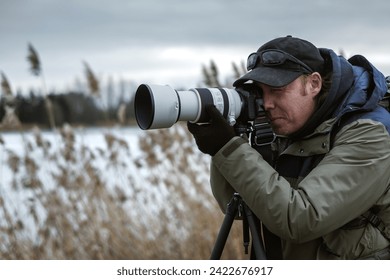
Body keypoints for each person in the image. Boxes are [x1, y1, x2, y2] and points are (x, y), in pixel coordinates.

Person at [187, 35, 390, 259]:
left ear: (313, 84)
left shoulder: (369, 135)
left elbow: (301, 219)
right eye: (260, 92)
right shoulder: (291, 125)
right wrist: (227, 141)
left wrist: (230, 148)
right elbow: (238, 207)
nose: (267, 104)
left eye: (277, 90)